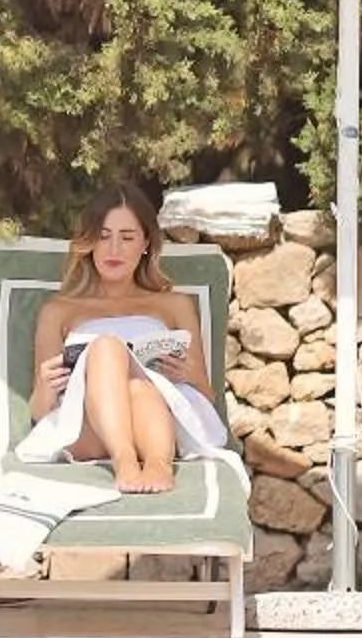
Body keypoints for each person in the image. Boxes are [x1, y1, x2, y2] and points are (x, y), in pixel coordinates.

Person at [20, 184, 232, 494]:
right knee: (106, 347)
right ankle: (126, 460)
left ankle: (158, 464)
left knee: (138, 386)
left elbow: (206, 397)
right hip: (86, 429)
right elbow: (40, 412)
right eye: (103, 236)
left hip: (156, 423)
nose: (114, 249)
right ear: (89, 242)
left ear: (146, 243)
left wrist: (189, 375)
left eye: (127, 237)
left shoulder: (174, 305)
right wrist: (45, 386)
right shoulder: (59, 311)